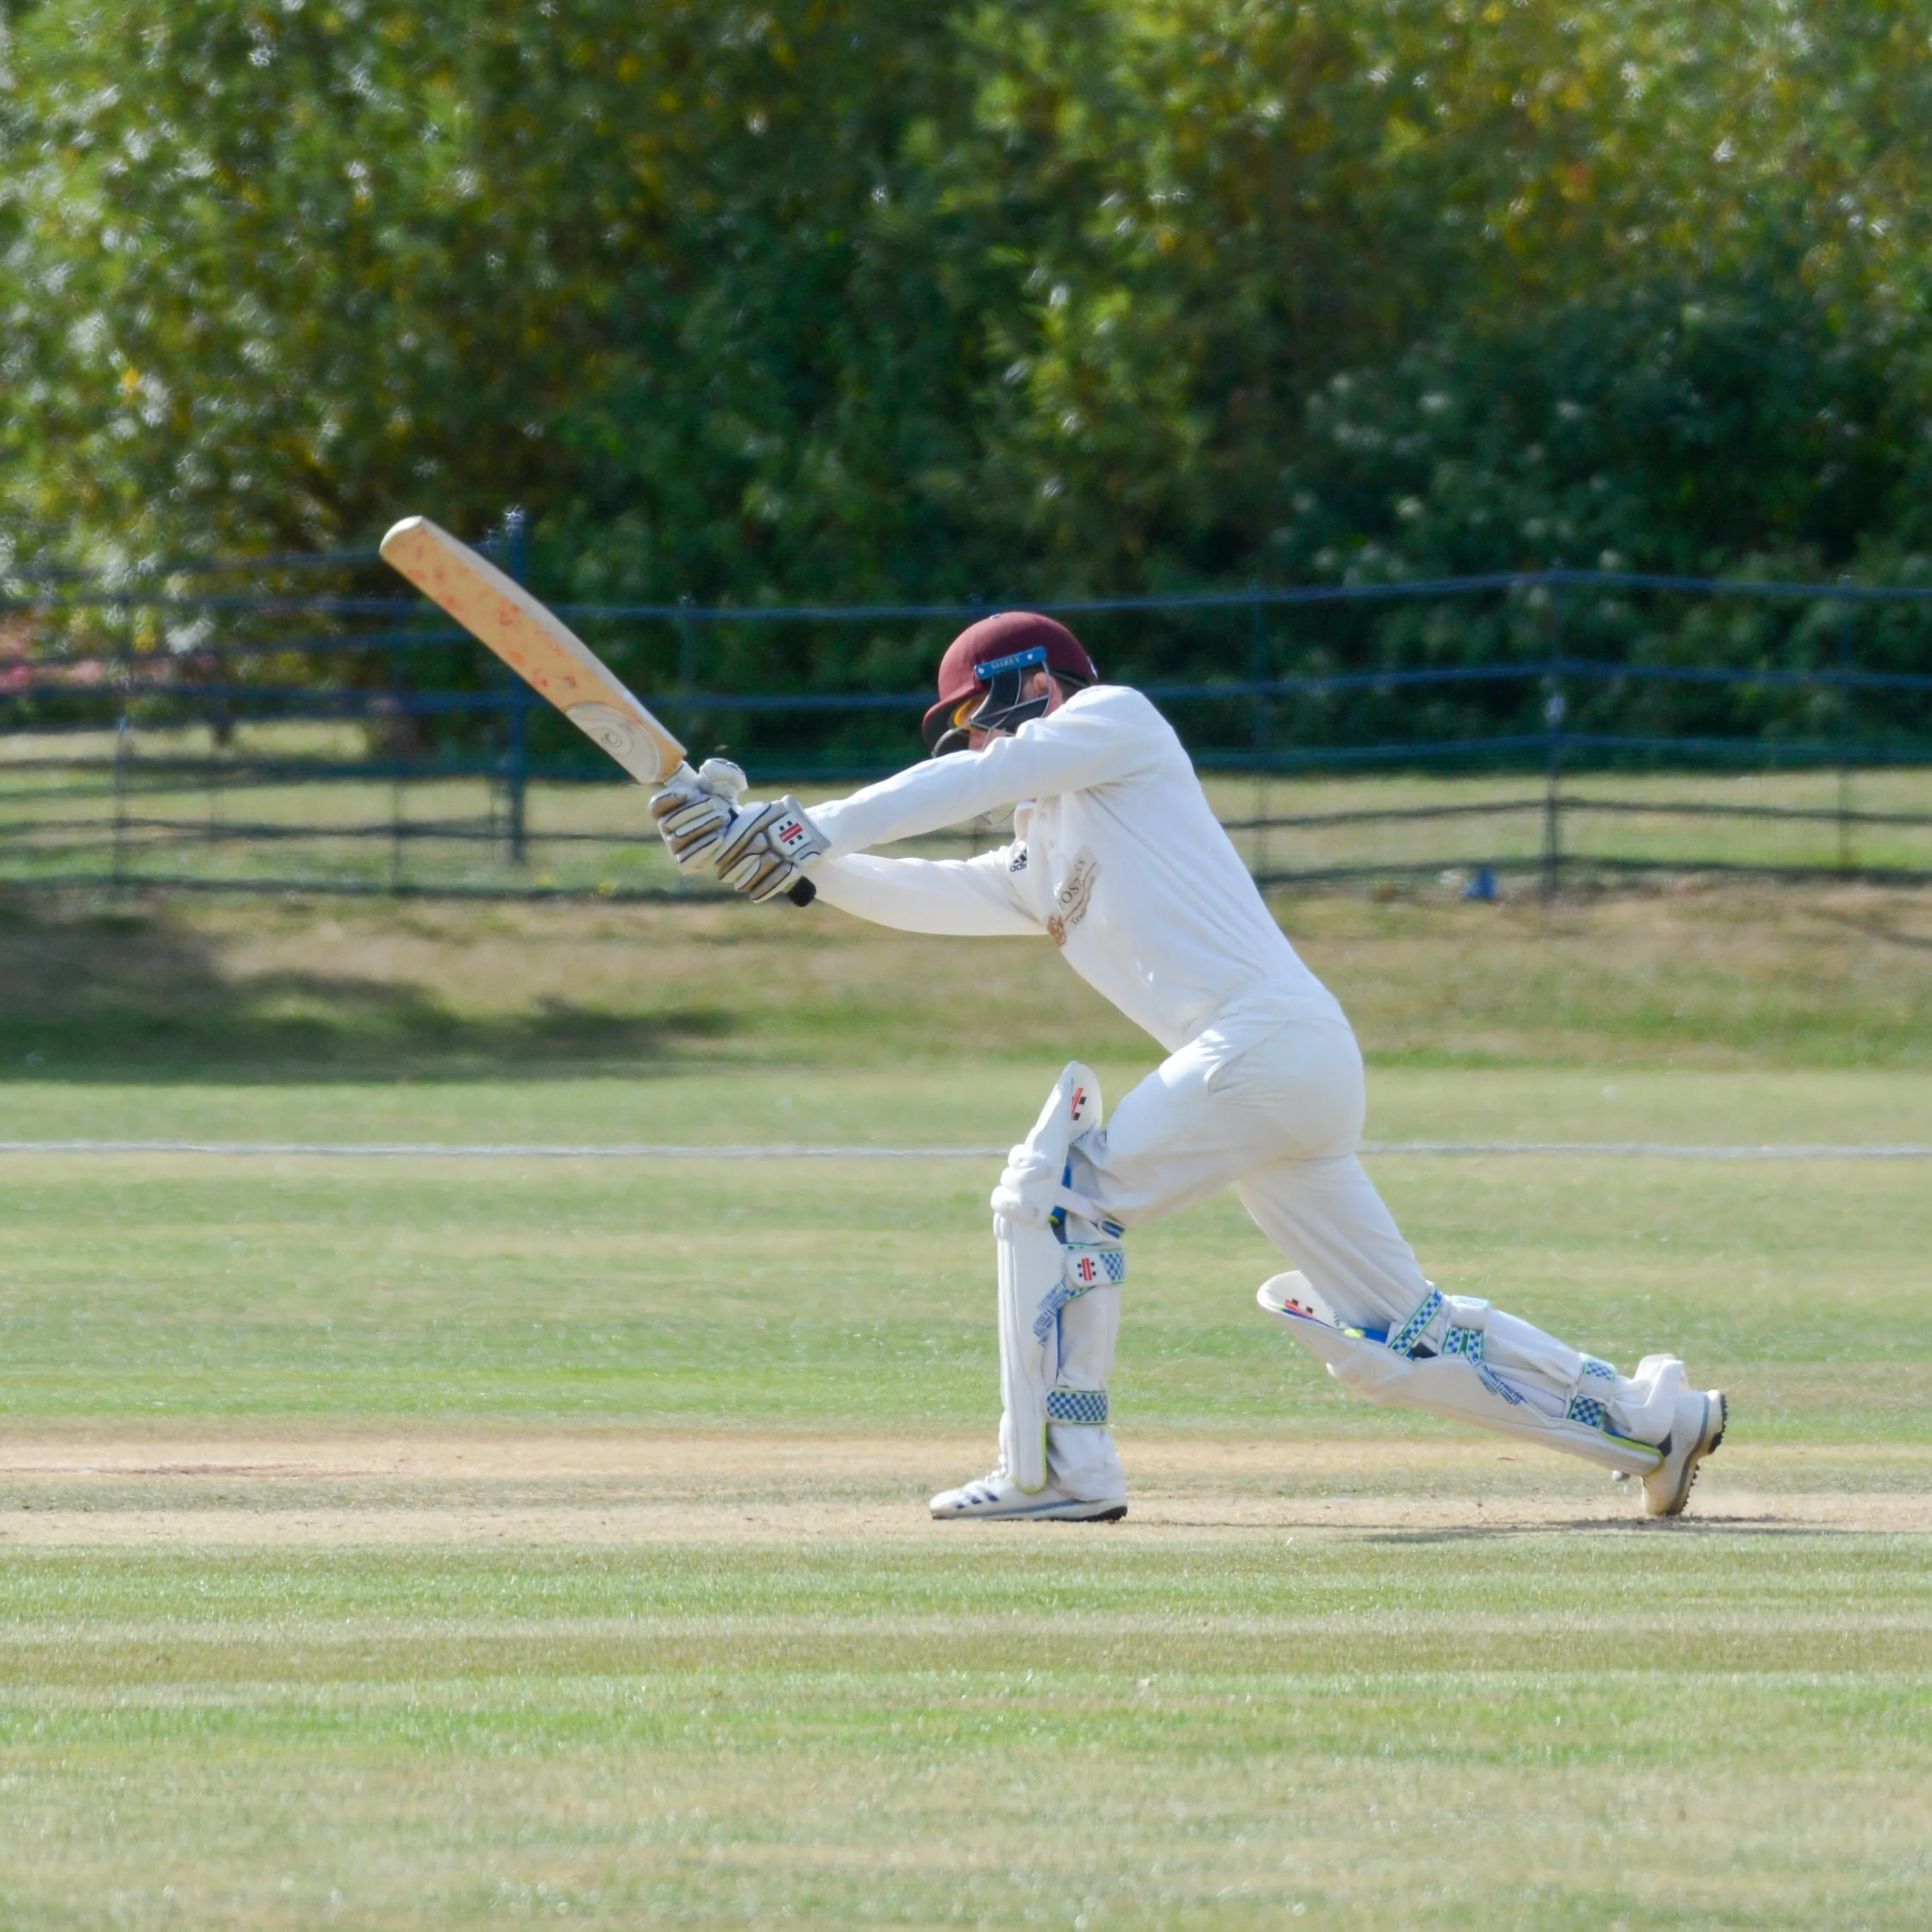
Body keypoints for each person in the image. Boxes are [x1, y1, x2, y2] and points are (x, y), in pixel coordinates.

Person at [649, 611, 1727, 1524]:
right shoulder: (1041, 854)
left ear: (1023, 691)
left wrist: (791, 824)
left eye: (973, 724)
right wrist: (789, 867)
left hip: (1262, 1044)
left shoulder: (1116, 722)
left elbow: (981, 779)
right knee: (1403, 1332)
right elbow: (913, 890)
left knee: (1059, 1196)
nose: (971, 751)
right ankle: (1650, 1423)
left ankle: (1064, 1467)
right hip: (1281, 1066)